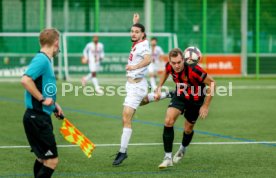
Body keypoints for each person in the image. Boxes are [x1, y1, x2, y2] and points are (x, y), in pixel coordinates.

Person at [155, 48, 216, 169]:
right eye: (173, 63)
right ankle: (167, 158)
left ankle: (183, 148)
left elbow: (212, 83)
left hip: (196, 100)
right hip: (180, 95)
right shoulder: (170, 65)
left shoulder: (194, 70)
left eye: (179, 62)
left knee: (188, 129)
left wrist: (205, 105)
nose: (176, 65)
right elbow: (166, 72)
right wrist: (158, 87)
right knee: (168, 121)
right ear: (170, 61)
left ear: (183, 59)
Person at [21, 28, 64, 178]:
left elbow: (43, 86)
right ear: (56, 42)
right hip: (37, 118)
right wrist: (42, 99)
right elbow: (26, 80)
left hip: (37, 117)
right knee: (52, 161)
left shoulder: (45, 60)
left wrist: (53, 106)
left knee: (43, 158)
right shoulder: (42, 60)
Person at [112, 13, 152, 166]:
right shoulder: (140, 42)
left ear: (142, 35)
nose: (133, 34)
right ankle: (165, 94)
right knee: (141, 102)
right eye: (132, 31)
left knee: (126, 118)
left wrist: (134, 66)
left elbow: (148, 59)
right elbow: (140, 36)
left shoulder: (142, 45)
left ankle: (123, 151)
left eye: (136, 32)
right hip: (132, 85)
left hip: (136, 85)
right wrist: (136, 23)